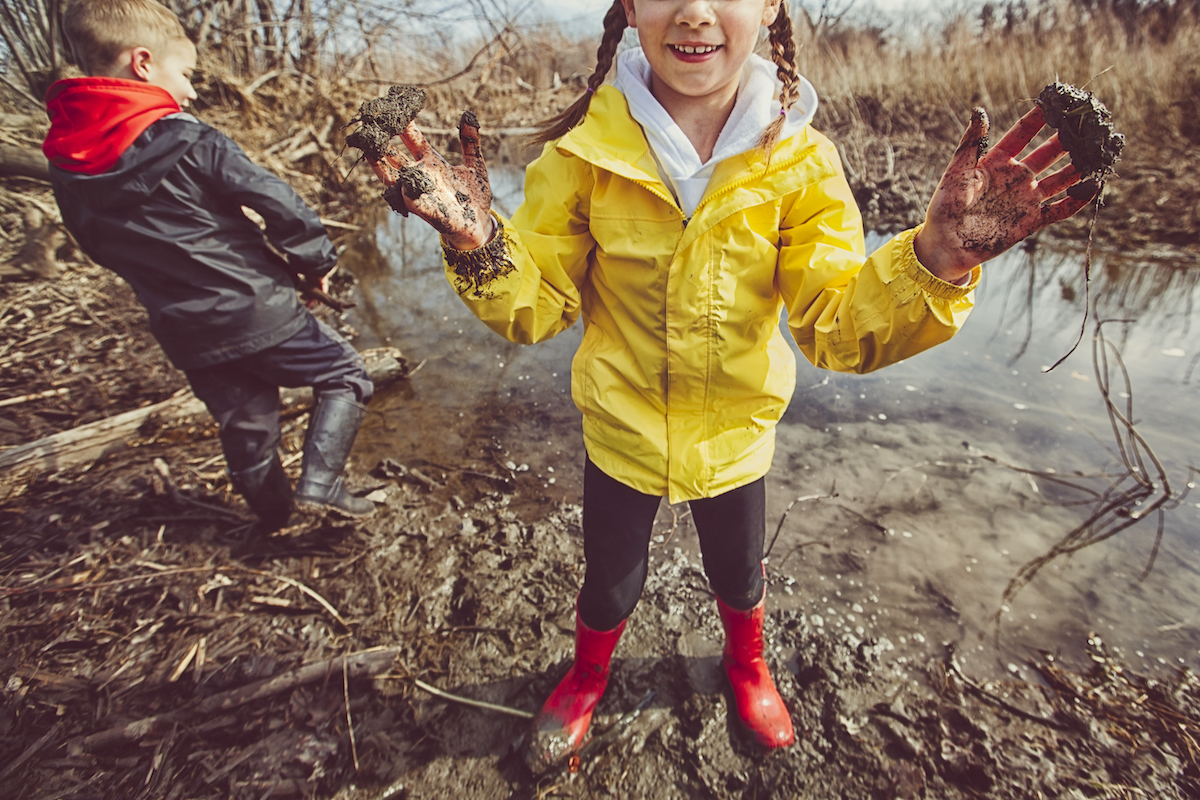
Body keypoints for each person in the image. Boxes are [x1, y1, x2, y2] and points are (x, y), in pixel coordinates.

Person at [354, 0, 1096, 768]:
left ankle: (747, 668)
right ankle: (585, 674)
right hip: (621, 433)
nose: (696, 12)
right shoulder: (580, 155)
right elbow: (540, 305)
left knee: (738, 577)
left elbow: (833, 323)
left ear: (771, 5)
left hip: (736, 438)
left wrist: (936, 261)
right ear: (632, 7)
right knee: (609, 583)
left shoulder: (803, 163)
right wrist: (481, 246)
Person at [43, 0, 377, 529]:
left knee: (245, 423)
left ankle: (276, 521)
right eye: (187, 74)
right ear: (143, 64)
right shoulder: (188, 137)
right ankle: (322, 484)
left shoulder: (65, 166)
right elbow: (278, 201)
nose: (192, 91)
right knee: (345, 374)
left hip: (183, 331)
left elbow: (95, 247)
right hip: (258, 311)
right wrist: (314, 260)